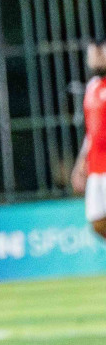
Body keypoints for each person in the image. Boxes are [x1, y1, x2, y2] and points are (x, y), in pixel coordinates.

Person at [70, 40, 106, 239]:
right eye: (92, 55)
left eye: (99, 54)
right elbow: (90, 131)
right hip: (96, 165)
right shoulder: (92, 87)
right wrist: (80, 162)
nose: (95, 59)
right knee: (97, 222)